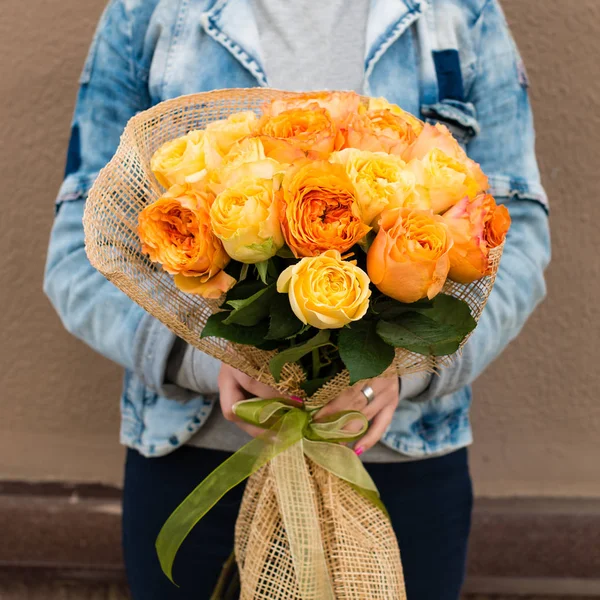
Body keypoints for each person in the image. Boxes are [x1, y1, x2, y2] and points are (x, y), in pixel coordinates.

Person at [44, 0, 550, 598]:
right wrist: (213, 361)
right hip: (198, 462)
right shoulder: (146, 12)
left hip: (399, 468)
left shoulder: (459, 13)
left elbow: (514, 241)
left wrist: (400, 371)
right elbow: (81, 255)